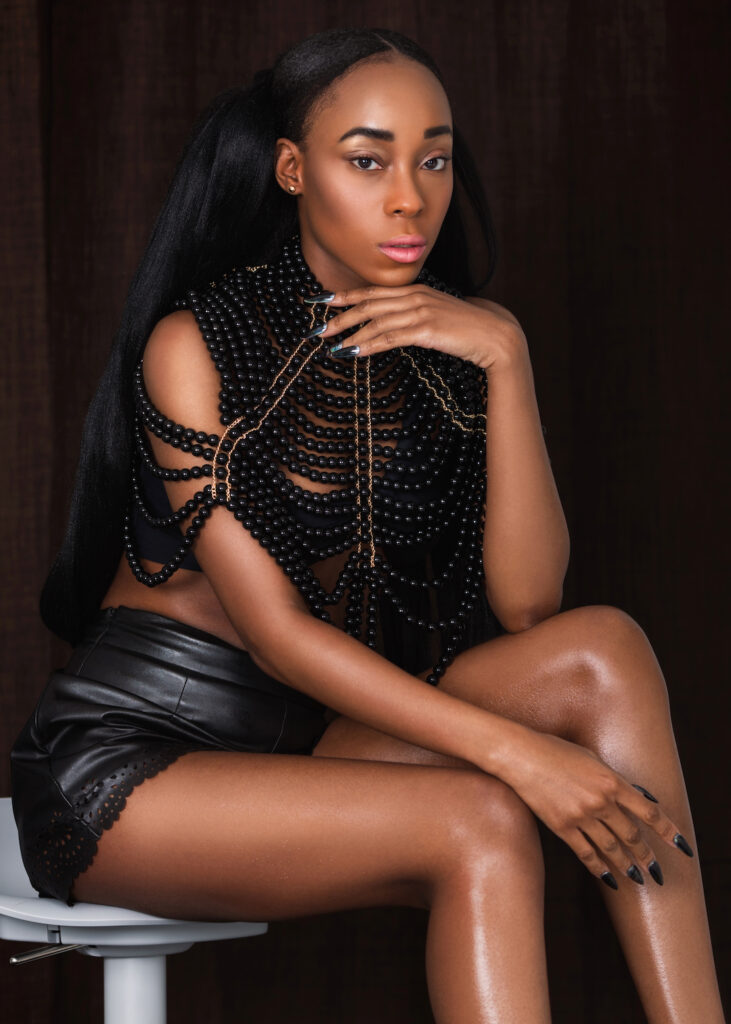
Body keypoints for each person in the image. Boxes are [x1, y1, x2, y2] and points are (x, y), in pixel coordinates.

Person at [10, 26, 724, 1023]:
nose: (408, 196)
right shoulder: (193, 344)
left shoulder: (447, 354)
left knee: (602, 649)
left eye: (432, 158)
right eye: (366, 158)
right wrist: (523, 758)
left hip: (306, 746)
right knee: (481, 817)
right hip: (135, 764)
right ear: (293, 170)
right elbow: (276, 634)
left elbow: (529, 604)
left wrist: (506, 359)